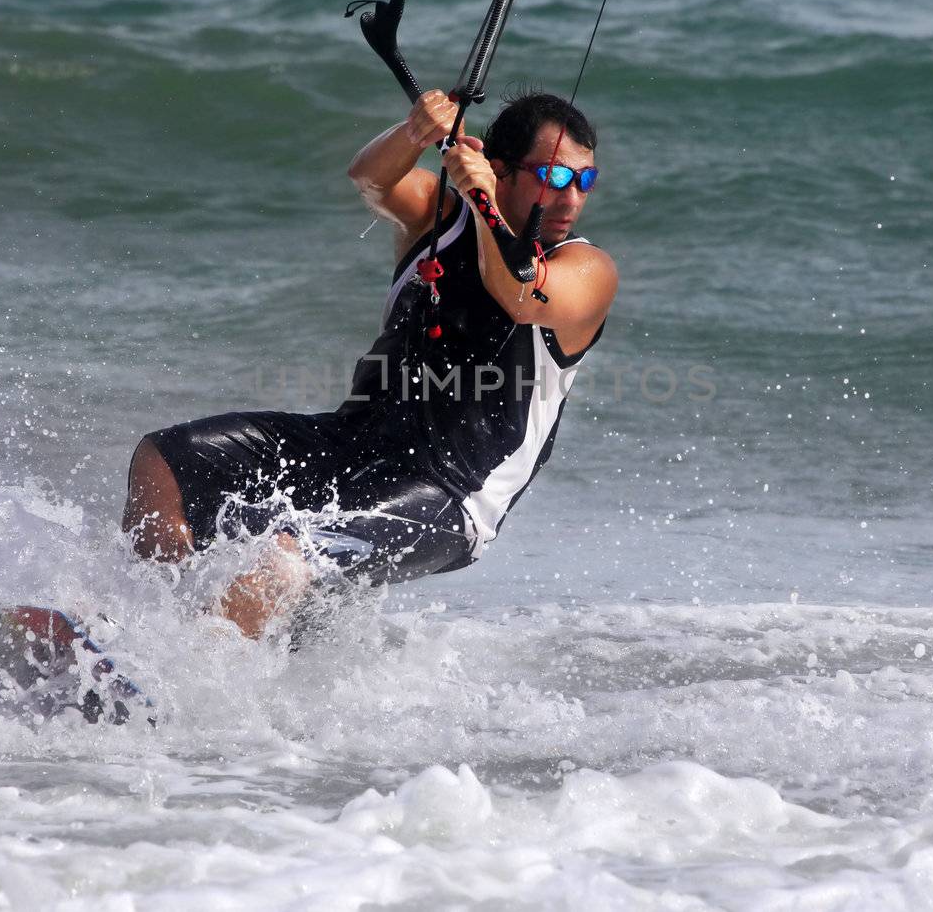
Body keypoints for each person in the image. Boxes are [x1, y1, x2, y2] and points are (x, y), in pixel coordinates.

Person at [121, 88, 618, 638]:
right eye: (555, 178)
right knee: (168, 458)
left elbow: (519, 294)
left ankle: (183, 680)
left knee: (283, 557)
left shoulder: (587, 269)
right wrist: (416, 132)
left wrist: (484, 204)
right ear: (497, 169)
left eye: (585, 181)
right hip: (351, 444)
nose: (572, 199)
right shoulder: (439, 222)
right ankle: (148, 630)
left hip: (447, 495)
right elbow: (371, 178)